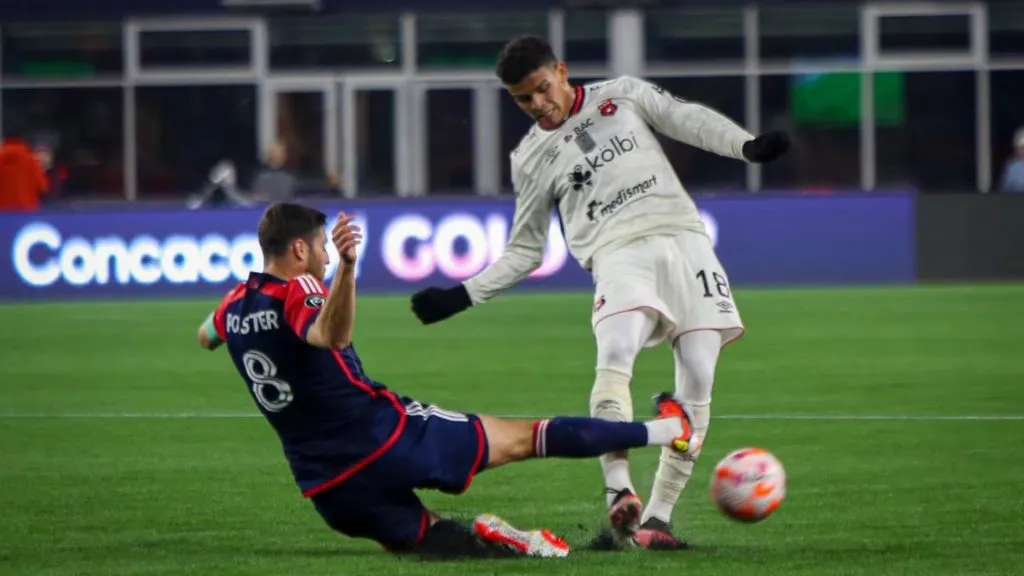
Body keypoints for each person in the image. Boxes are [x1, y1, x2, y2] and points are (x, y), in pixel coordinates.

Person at [409, 35, 789, 550]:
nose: (538, 105)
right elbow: (526, 251)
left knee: (698, 381)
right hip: (617, 254)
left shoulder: (623, 94)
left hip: (686, 243)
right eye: (524, 99)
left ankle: (656, 521)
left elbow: (687, 119)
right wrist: (461, 295)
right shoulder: (531, 157)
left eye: (543, 89)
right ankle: (619, 490)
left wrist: (745, 146)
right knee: (615, 357)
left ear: (562, 72)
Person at [197, 202, 701, 559]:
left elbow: (205, 336)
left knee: (435, 538)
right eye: (323, 250)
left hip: (327, 487)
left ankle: (507, 542)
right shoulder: (303, 287)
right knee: (526, 437)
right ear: (300, 250)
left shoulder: (234, 305)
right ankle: (667, 430)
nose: (327, 258)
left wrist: (234, 330)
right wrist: (348, 270)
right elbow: (330, 335)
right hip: (384, 437)